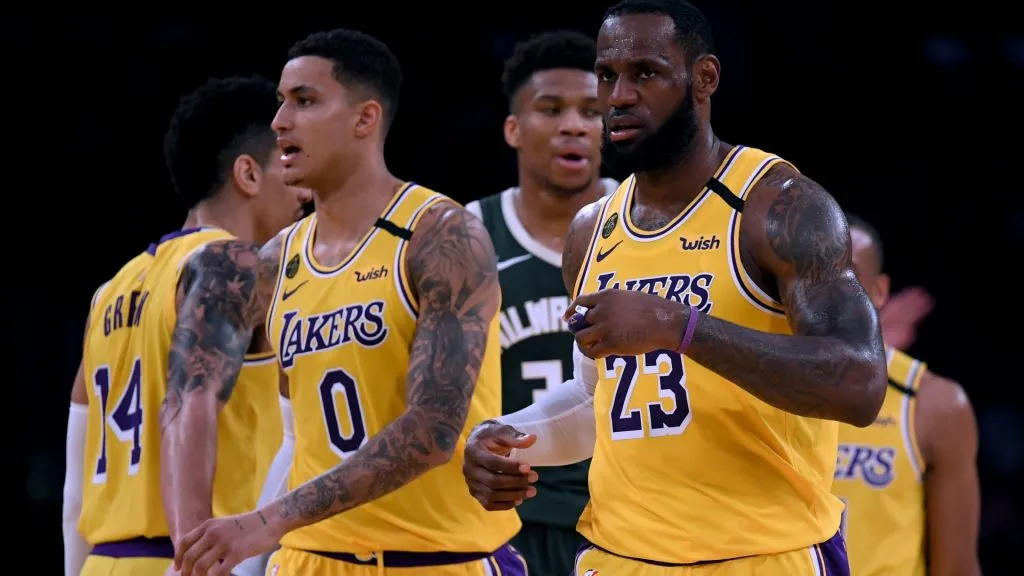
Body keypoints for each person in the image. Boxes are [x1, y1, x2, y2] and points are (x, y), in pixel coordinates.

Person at [461, 0, 890, 574]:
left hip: (763, 556)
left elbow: (860, 384)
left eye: (646, 73)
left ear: (704, 78)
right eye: (607, 75)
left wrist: (680, 328)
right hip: (620, 556)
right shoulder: (591, 232)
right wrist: (510, 437)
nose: (619, 96)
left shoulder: (777, 205)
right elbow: (596, 398)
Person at [167, 29, 525, 576]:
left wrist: (265, 521)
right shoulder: (276, 261)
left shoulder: (440, 235)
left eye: (304, 100)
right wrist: (219, 555)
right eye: (280, 102)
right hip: (311, 559)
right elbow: (291, 436)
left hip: (437, 559)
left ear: (365, 119)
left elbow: (433, 430)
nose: (279, 121)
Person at [61, 75, 311, 576]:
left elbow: (75, 491)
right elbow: (190, 407)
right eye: (286, 161)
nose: (304, 190)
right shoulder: (234, 265)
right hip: (197, 560)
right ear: (248, 174)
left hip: (105, 563)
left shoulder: (109, 292)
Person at [464, 30, 616, 576]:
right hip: (507, 513)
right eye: (551, 110)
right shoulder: (469, 235)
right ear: (513, 129)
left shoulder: (646, 226)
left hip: (625, 510)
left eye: (591, 112)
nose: (574, 125)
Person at [832, 213, 981, 576]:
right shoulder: (754, 387)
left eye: (848, 274)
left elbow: (957, 569)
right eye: (812, 272)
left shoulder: (933, 404)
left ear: (880, 290)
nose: (828, 290)